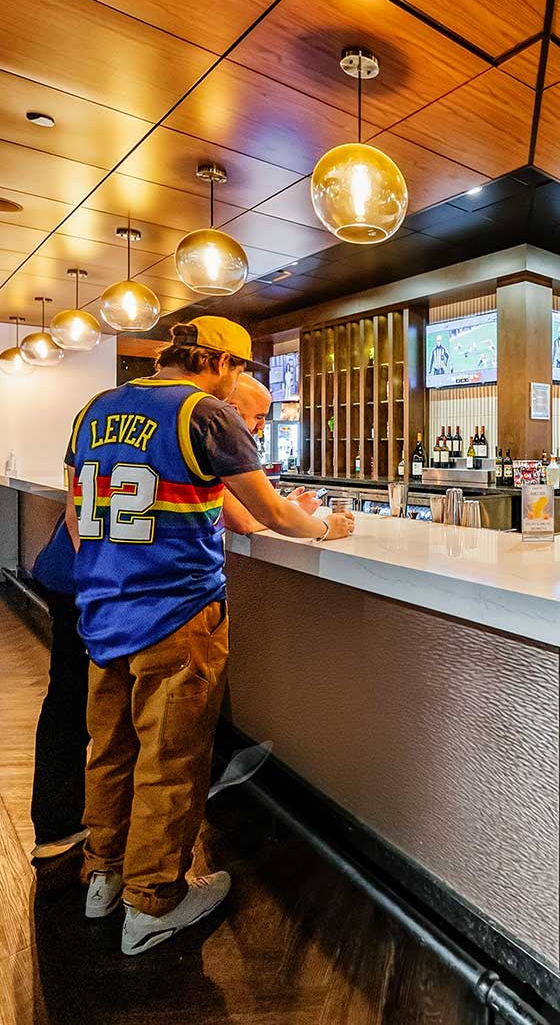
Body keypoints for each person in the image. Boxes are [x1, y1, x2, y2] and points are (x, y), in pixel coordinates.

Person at [65, 317, 355, 956]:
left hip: (103, 610)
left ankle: (102, 877)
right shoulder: (205, 415)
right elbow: (272, 511)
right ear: (220, 362)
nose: (239, 380)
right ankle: (153, 902)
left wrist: (109, 577)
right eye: (241, 368)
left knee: (108, 749)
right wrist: (328, 527)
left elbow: (77, 513)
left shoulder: (94, 409)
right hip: (178, 613)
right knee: (171, 759)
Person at [27, 515, 89, 860]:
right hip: (91, 583)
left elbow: (73, 511)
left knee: (67, 699)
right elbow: (242, 519)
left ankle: (57, 824)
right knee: (77, 702)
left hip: (67, 572)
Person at [223, 373, 319, 534]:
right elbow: (244, 522)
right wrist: (298, 510)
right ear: (233, 413)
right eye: (258, 417)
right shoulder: (222, 448)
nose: (262, 426)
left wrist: (283, 506)